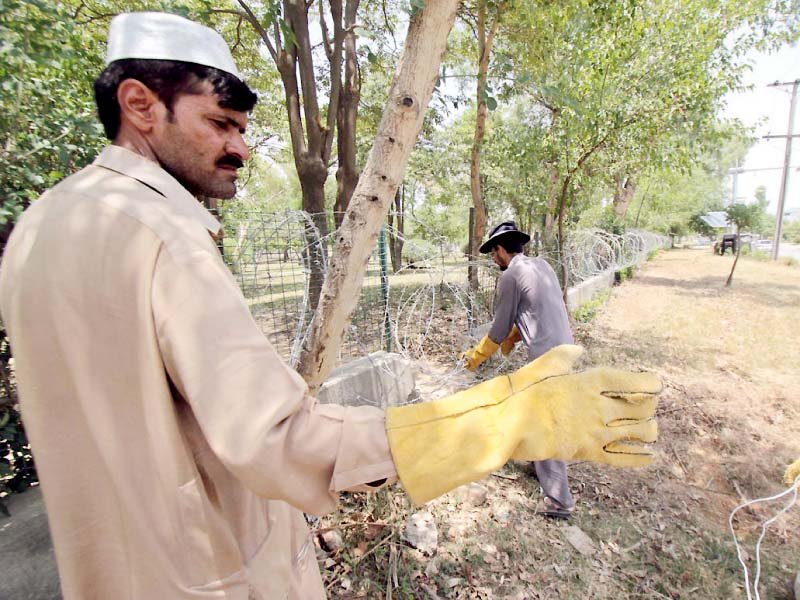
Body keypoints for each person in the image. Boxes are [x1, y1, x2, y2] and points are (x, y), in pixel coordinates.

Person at [0, 13, 661, 599]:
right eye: (220, 124)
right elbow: (277, 441)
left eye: (243, 128)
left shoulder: (38, 228)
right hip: (217, 575)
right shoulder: (165, 236)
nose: (241, 148)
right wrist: (497, 422)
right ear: (140, 105)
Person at [463, 221, 577, 519]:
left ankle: (560, 502)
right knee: (534, 409)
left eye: (494, 252)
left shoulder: (511, 274)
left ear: (502, 250)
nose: (493, 258)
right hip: (565, 348)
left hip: (547, 357)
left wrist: (477, 356)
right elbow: (534, 308)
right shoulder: (541, 265)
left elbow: (499, 328)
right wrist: (518, 335)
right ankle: (538, 464)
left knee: (544, 420)